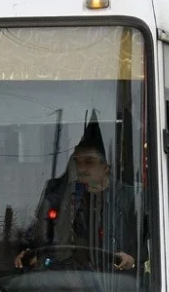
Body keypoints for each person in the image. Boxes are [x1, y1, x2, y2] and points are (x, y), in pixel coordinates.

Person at [15, 110, 139, 273]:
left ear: (106, 167)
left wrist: (133, 258)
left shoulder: (130, 198)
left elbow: (148, 245)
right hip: (63, 277)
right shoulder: (59, 197)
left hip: (115, 280)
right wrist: (27, 252)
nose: (81, 169)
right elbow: (37, 235)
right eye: (77, 163)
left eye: (89, 162)